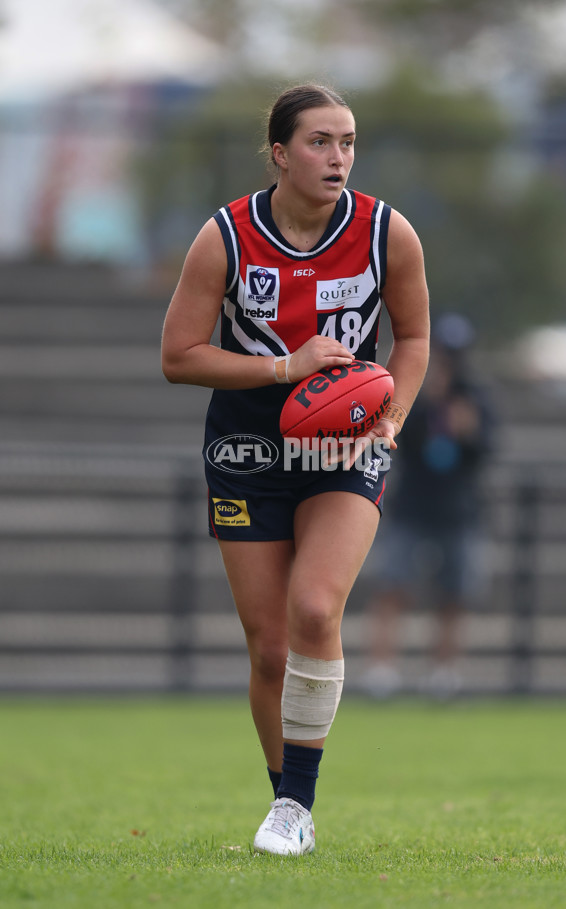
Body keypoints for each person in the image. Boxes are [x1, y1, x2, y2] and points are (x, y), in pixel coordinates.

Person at [161, 83, 430, 855]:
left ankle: (295, 807)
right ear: (280, 153)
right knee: (272, 647)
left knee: (317, 609)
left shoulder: (388, 232)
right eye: (319, 142)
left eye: (347, 141)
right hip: (247, 445)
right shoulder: (227, 236)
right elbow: (178, 357)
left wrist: (391, 418)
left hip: (340, 444)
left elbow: (410, 339)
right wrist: (286, 367)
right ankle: (287, 800)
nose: (337, 157)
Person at [362, 314, 495, 700]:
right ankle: (382, 670)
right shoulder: (414, 393)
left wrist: (466, 430)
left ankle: (444, 671)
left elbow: (486, 449)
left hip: (459, 509)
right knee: (392, 586)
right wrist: (424, 409)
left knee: (455, 595)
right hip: (412, 506)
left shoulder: (476, 397)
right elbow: (395, 438)